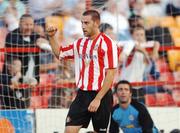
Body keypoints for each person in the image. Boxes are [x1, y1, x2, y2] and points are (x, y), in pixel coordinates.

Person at [47, 10, 118, 133]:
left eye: (86, 23)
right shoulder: (80, 43)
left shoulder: (108, 44)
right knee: (69, 131)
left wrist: (98, 99)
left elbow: (111, 74)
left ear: (96, 23)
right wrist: (52, 37)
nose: (83, 26)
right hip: (82, 95)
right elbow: (60, 53)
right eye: (82, 23)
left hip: (101, 95)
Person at [119, 25, 160, 103]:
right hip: (126, 84)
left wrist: (155, 51)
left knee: (141, 109)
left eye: (142, 35)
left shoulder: (145, 45)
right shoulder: (129, 44)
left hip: (138, 85)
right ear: (132, 35)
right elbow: (135, 46)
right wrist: (145, 52)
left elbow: (156, 43)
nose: (140, 37)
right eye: (137, 35)